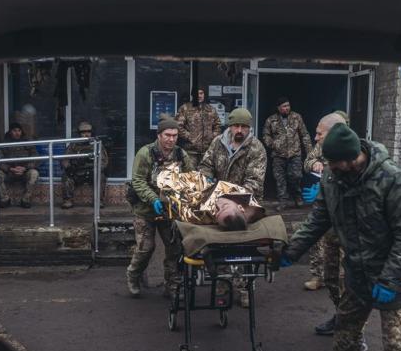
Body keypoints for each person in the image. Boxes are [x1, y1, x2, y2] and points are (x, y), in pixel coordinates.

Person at [281, 123, 401, 351]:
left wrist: (389, 280)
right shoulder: (334, 177)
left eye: (332, 162)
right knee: (346, 327)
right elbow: (320, 218)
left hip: (394, 279)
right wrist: (291, 251)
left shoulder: (392, 179)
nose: (328, 169)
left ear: (350, 158)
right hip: (357, 271)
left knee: (396, 345)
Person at [300, 112, 366, 348]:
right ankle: (340, 317)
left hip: (354, 235)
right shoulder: (321, 148)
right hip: (332, 226)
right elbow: (309, 162)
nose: (315, 137)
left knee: (348, 282)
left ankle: (355, 332)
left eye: (319, 133)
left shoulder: (354, 154)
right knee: (330, 277)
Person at [198, 107, 268, 307]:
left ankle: (244, 287)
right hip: (219, 205)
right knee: (217, 245)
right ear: (230, 127)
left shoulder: (256, 148)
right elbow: (205, 166)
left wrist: (227, 196)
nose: (239, 130)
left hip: (245, 207)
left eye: (244, 127)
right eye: (236, 126)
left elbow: (254, 183)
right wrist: (207, 182)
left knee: (243, 247)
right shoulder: (217, 143)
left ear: (249, 128)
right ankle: (222, 285)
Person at [126, 117, 195, 298]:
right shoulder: (145, 153)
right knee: (145, 248)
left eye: (174, 135)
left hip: (170, 210)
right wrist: (153, 199)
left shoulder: (181, 155)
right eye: (167, 135)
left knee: (174, 248)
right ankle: (133, 275)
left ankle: (171, 285)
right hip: (145, 210)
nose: (171, 139)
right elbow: (138, 181)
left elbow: (190, 179)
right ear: (159, 135)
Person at [262, 97, 313, 211]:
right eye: (284, 106)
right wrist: (273, 144)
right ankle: (283, 201)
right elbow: (266, 135)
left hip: (294, 153)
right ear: (278, 108)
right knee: (279, 179)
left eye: (288, 106)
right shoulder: (271, 120)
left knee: (295, 176)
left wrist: (310, 151)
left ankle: (297, 196)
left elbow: (304, 134)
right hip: (278, 155)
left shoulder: (296, 117)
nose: (287, 108)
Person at [61, 120, 109, 209]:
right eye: (83, 132)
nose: (86, 134)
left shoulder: (97, 144)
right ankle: (68, 200)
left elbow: (104, 161)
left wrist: (96, 169)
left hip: (92, 172)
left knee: (101, 176)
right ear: (79, 134)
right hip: (77, 172)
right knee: (66, 176)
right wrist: (69, 167)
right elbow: (65, 159)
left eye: (88, 132)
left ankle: (98, 201)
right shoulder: (73, 145)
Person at [0, 122, 39, 208]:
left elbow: (36, 158)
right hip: (9, 173)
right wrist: (10, 169)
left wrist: (25, 168)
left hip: (24, 172)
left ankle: (25, 200)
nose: (17, 133)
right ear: (10, 132)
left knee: (34, 173)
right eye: (14, 131)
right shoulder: (4, 144)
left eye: (19, 131)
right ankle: (5, 199)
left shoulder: (27, 143)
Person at [175, 87, 221, 160]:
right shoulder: (185, 108)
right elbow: (178, 126)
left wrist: (212, 136)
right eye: (196, 93)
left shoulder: (211, 110)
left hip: (207, 152)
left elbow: (217, 126)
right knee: (190, 171)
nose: (199, 95)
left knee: (206, 171)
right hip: (190, 152)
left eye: (201, 93)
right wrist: (190, 137)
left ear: (204, 94)